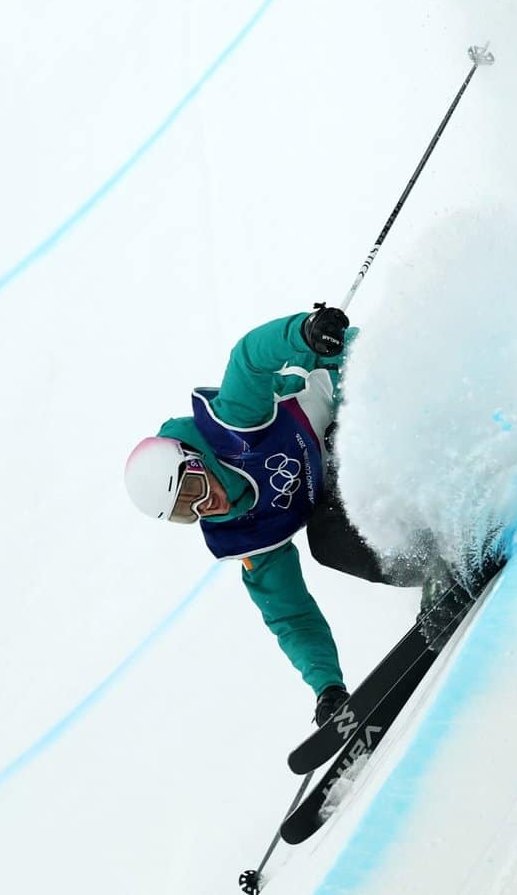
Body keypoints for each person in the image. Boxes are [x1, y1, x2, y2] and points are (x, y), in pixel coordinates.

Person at [123, 305, 394, 727]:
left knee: (356, 446)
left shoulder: (234, 423)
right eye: (185, 512)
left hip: (356, 378)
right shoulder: (245, 533)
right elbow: (290, 615)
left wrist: (304, 332)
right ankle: (435, 561)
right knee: (331, 543)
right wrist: (327, 686)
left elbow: (249, 356)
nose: (204, 506)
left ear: (194, 459)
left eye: (192, 490)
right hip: (351, 472)